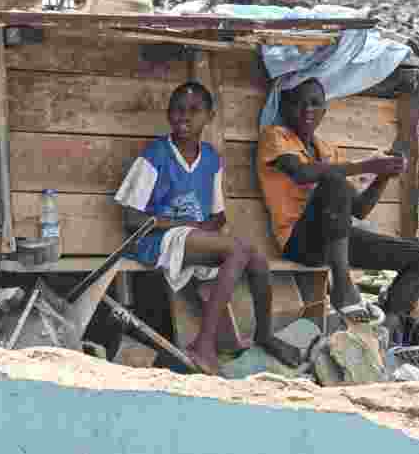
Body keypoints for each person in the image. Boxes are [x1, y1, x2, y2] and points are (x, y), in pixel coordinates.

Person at [114, 81, 296, 375]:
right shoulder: (155, 155)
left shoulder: (210, 158)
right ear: (168, 114)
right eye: (177, 109)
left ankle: (264, 334)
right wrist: (185, 225)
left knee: (256, 258)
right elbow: (132, 219)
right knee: (237, 251)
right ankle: (203, 345)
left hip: (193, 238)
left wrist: (203, 232)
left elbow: (217, 216)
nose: (184, 116)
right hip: (156, 241)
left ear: (209, 116)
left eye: (194, 110)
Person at [257, 77, 419, 352]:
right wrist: (365, 164)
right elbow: (303, 174)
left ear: (325, 112)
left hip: (333, 241)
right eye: (299, 103)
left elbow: (360, 209)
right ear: (285, 107)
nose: (307, 110)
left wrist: (383, 176)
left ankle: (387, 329)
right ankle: (343, 286)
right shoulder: (275, 137)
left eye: (315, 104)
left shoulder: (328, 151)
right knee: (334, 180)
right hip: (298, 242)